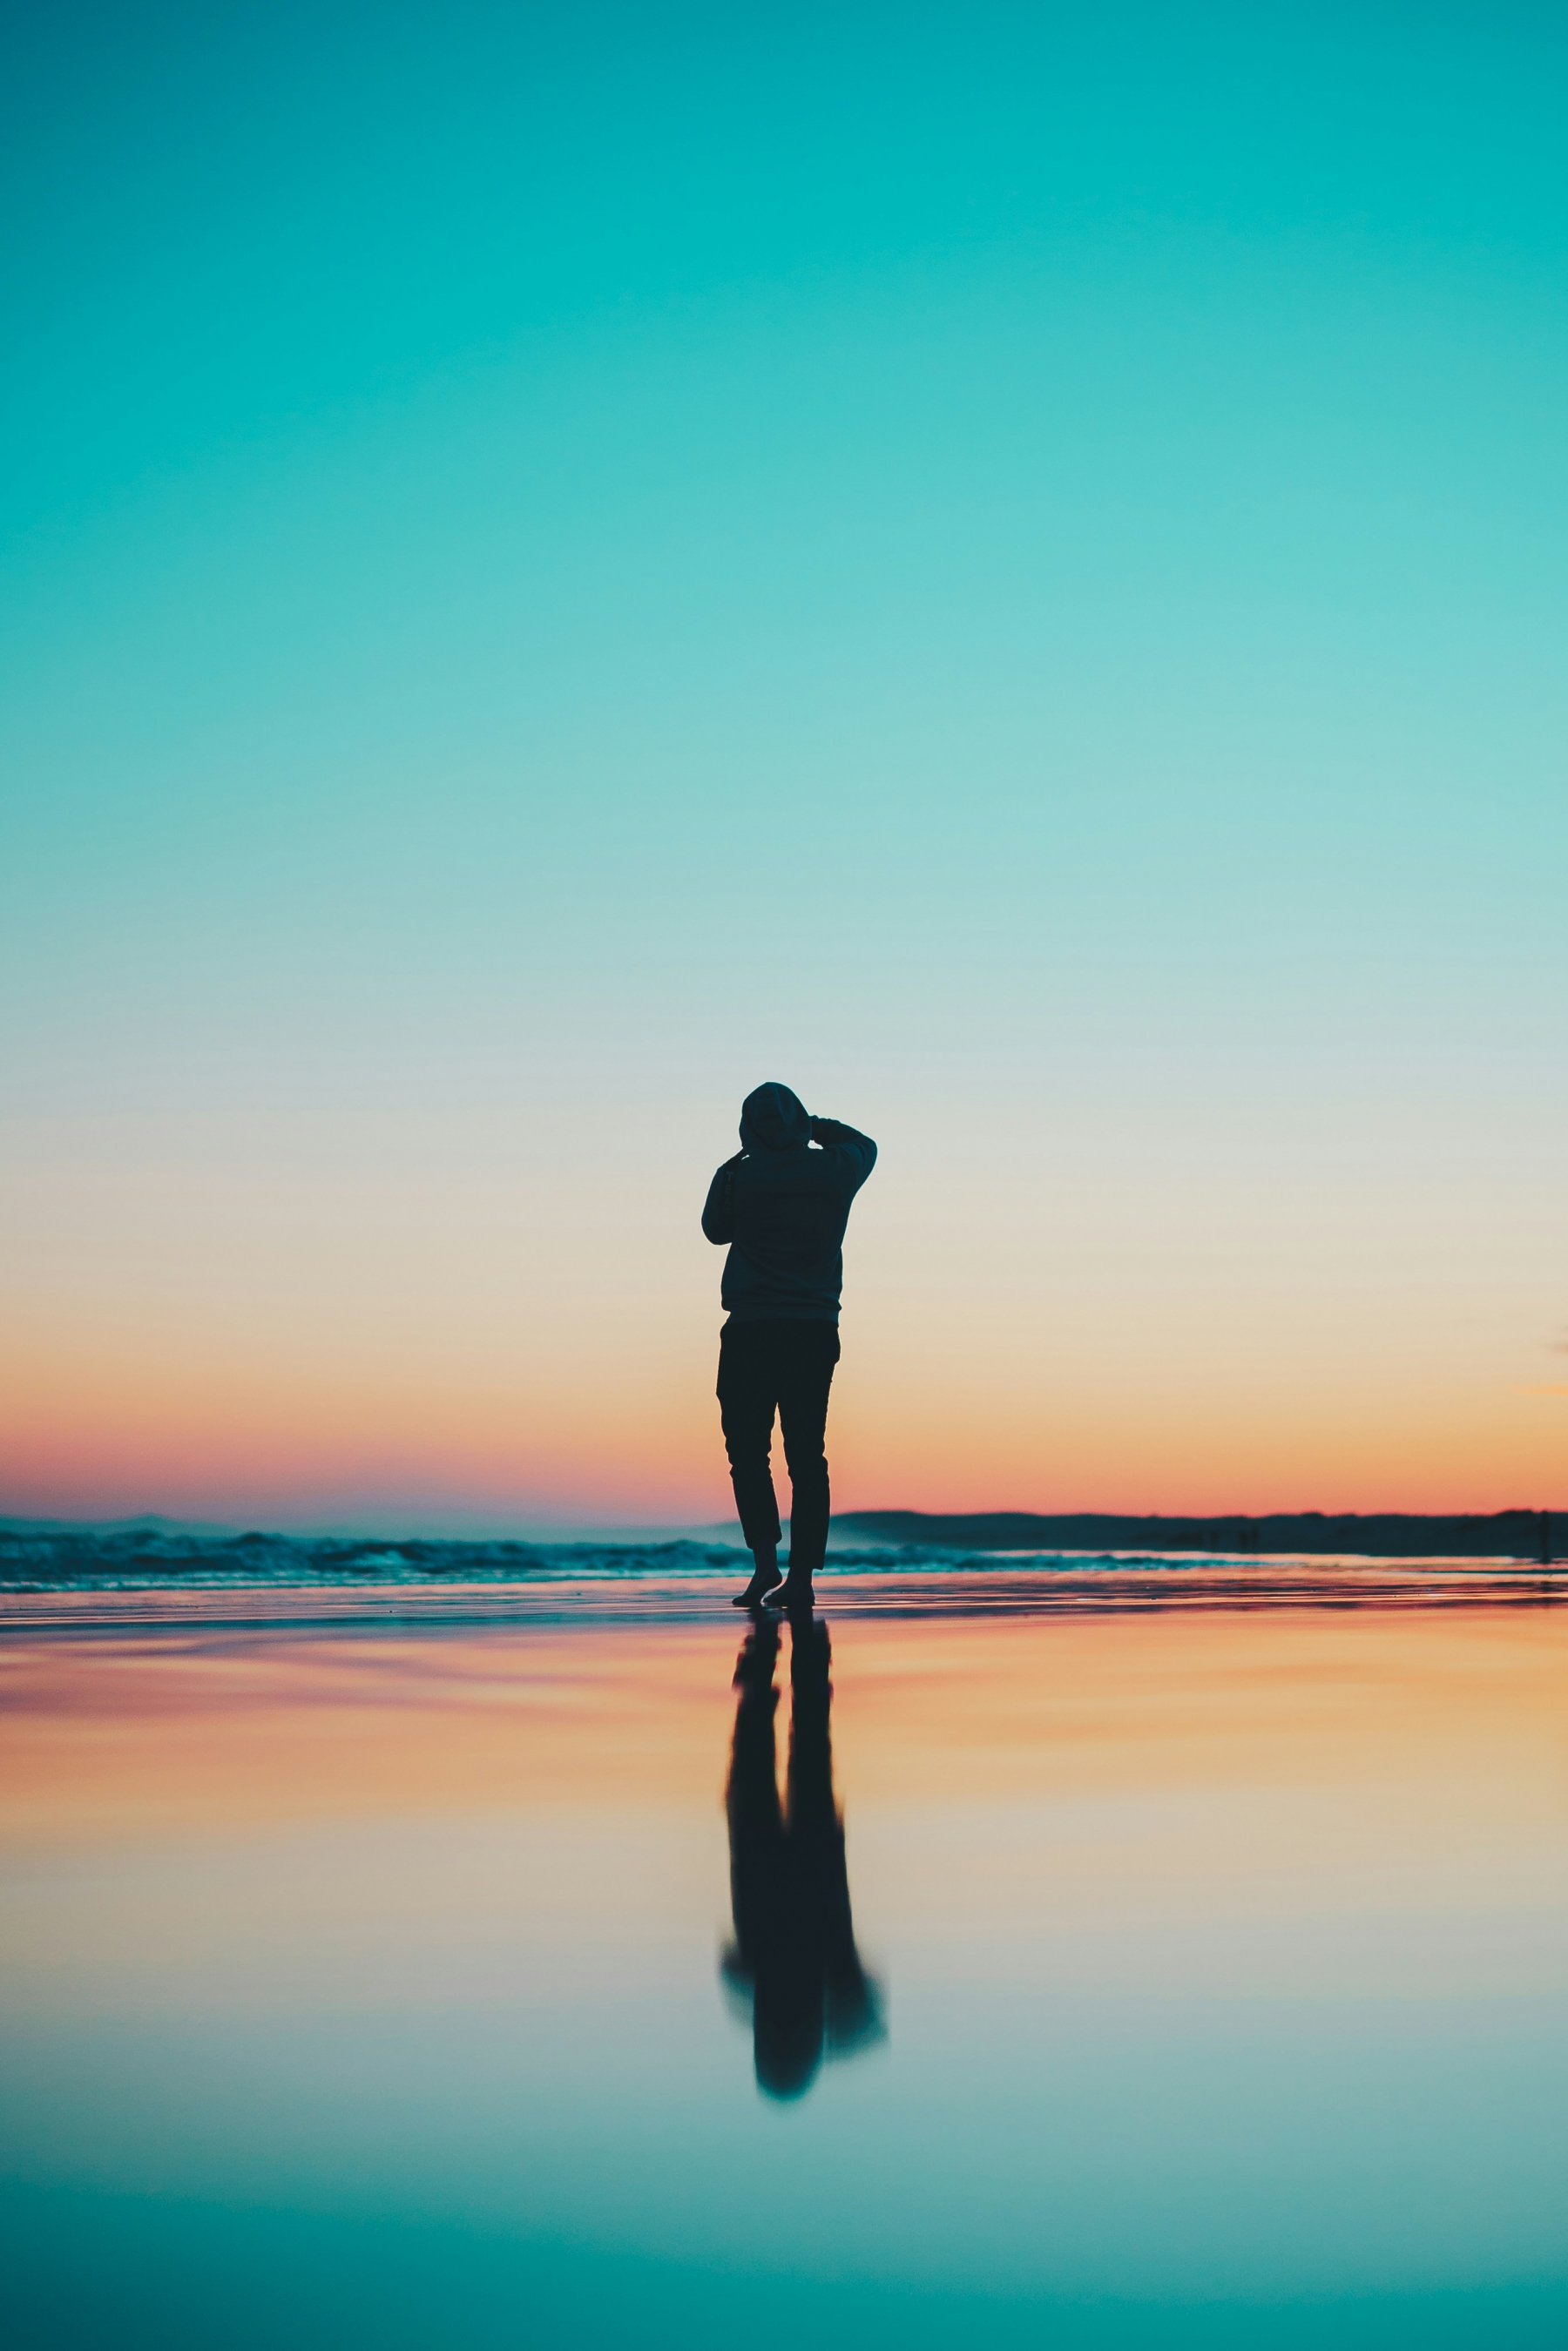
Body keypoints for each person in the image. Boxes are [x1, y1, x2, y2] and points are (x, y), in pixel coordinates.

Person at [702, 1082, 877, 1611]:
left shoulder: (738, 1173)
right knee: (806, 1454)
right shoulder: (834, 1170)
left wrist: (745, 1157)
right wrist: (813, 1128)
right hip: (813, 1328)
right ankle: (800, 1578)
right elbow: (864, 1144)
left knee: (748, 1452)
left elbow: (714, 1231)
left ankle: (764, 1567)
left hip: (752, 1326)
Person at [720, 1613, 883, 2098]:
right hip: (780, 1867)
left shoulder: (827, 1986)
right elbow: (734, 1957)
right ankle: (775, 1651)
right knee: (771, 1753)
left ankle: (799, 1651)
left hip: (803, 1866)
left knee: (805, 1748)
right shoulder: (781, 1988)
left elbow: (735, 1957)